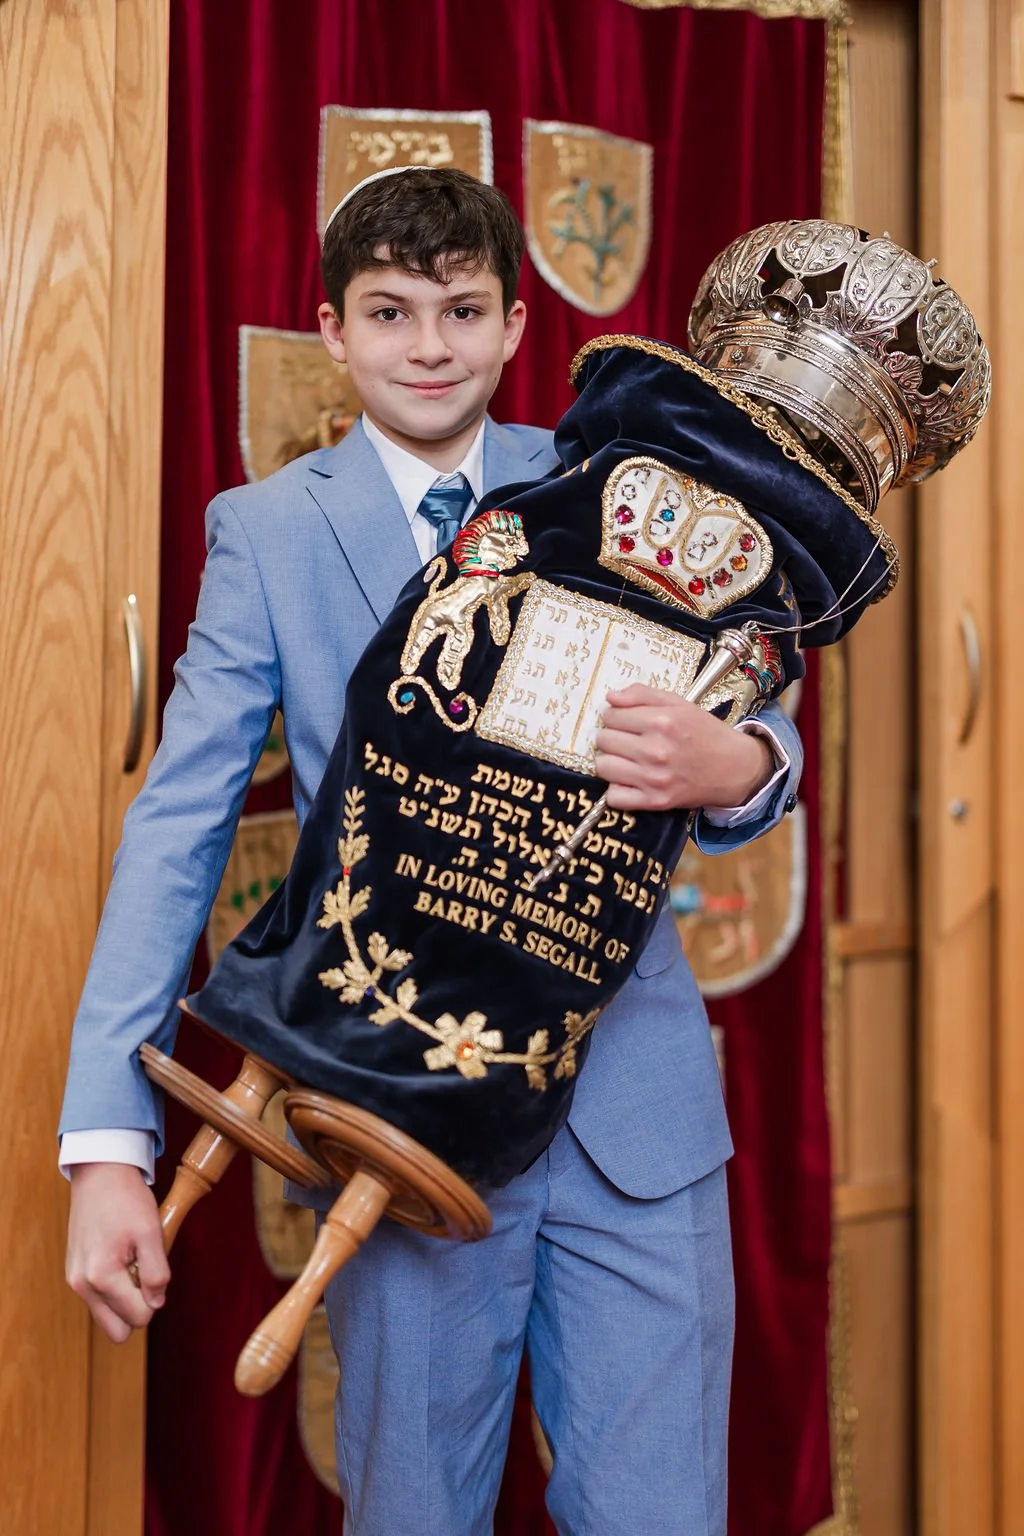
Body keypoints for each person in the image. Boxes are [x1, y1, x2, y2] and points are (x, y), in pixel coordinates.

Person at [60, 167, 802, 1536]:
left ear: (517, 326)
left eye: (462, 311)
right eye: (389, 312)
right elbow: (179, 825)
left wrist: (743, 765)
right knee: (413, 1514)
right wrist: (109, 1137)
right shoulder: (271, 536)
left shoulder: (610, 485)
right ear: (332, 332)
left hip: (632, 1123)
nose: (429, 346)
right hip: (399, 1112)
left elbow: (754, 687)